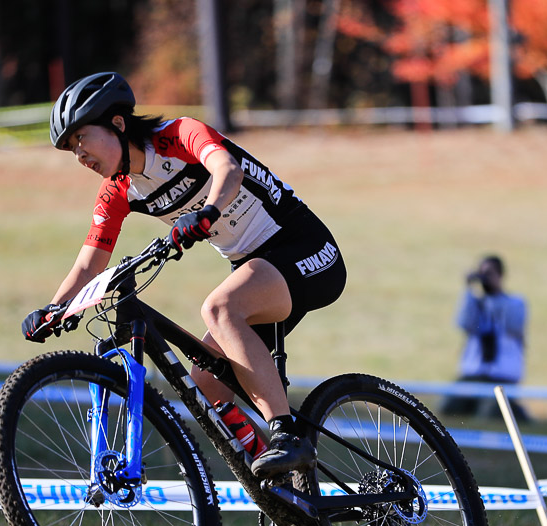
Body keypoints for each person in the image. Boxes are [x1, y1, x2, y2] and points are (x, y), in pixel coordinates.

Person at [22, 72, 346, 485]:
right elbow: (90, 264)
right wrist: (56, 308)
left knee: (220, 308)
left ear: (118, 124)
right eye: (71, 150)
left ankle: (285, 435)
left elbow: (227, 168)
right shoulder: (117, 190)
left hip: (304, 249)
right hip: (255, 268)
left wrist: (208, 211)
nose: (79, 155)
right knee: (206, 383)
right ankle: (285, 496)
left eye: (82, 139)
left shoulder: (177, 134)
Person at [442, 255, 530, 421]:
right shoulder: (476, 303)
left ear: (501, 275)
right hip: (475, 372)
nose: (485, 278)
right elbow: (463, 323)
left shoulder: (515, 303)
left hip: (503, 374)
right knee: (449, 408)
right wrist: (468, 290)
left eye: (489, 274)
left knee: (489, 414)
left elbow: (512, 325)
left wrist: (494, 295)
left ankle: (518, 412)